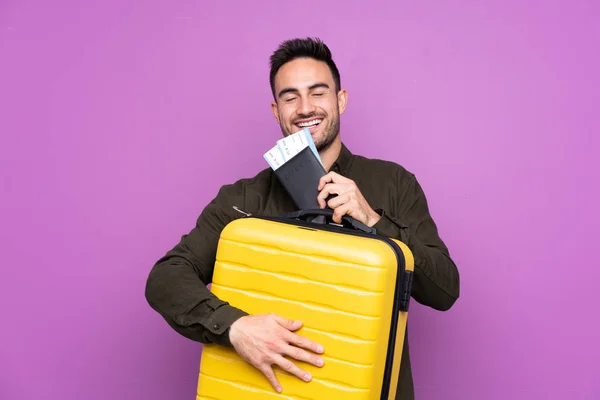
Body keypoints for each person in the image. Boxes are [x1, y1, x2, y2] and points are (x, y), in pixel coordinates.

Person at [145, 37, 460, 400]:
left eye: (318, 92)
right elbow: (166, 276)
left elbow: (444, 290)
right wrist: (235, 327)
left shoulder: (394, 183)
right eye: (290, 97)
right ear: (276, 110)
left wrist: (373, 220)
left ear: (340, 99)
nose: (305, 107)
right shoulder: (242, 198)